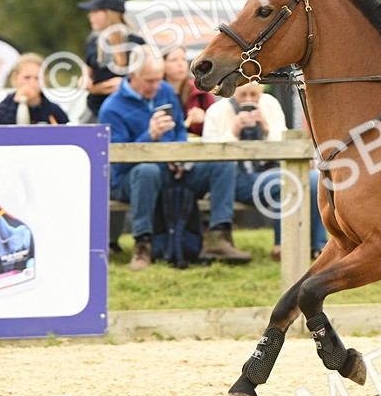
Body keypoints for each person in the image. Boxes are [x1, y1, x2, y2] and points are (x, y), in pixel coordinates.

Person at [99, 48, 252, 271]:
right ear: (132, 75)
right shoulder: (112, 108)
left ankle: (219, 237)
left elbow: (180, 131)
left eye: (157, 79)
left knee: (222, 162)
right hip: (129, 179)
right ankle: (143, 246)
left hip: (171, 170)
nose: (155, 86)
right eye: (149, 81)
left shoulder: (164, 91)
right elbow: (116, 161)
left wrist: (181, 160)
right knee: (146, 171)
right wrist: (149, 136)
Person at [201, 81, 329, 260]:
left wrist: (266, 127)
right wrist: (233, 130)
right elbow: (208, 156)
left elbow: (286, 145)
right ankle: (282, 246)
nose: (248, 100)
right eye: (242, 96)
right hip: (234, 181)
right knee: (284, 183)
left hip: (269, 173)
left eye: (253, 95)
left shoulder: (270, 104)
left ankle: (317, 247)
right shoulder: (217, 110)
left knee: (314, 179)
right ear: (231, 93)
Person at [77, 0, 145, 123]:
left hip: (127, 112)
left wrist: (126, 84)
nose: (90, 15)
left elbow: (146, 79)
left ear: (109, 14)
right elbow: (87, 73)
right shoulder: (92, 42)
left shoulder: (136, 43)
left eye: (95, 11)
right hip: (95, 110)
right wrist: (84, 81)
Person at [0, 53, 70, 125]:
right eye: (27, 77)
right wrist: (17, 103)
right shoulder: (5, 107)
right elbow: (0, 129)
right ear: (14, 79)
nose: (32, 83)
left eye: (37, 78)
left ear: (45, 80)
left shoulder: (53, 111)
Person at [163, 46, 215, 137]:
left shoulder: (200, 91)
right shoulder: (154, 92)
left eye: (183, 59)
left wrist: (205, 119)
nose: (180, 64)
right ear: (162, 64)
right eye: (173, 60)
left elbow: (217, 124)